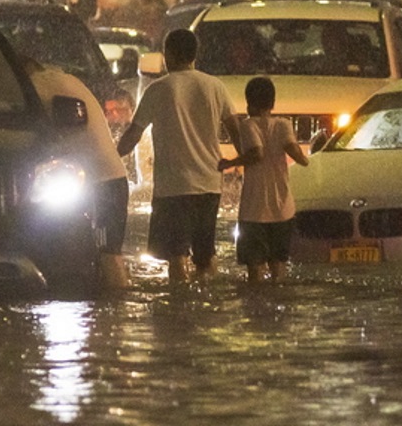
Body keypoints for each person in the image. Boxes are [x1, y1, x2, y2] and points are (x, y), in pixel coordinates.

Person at [116, 28, 240, 284]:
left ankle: (179, 308)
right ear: (195, 55)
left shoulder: (159, 89)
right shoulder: (215, 86)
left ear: (168, 54)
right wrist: (244, 161)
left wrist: (110, 157)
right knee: (206, 256)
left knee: (176, 258)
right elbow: (237, 132)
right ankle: (207, 304)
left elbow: (133, 135)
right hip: (209, 185)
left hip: (173, 189)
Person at [26, 58, 133, 290]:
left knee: (108, 255)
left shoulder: (35, 86)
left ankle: (117, 306)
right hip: (106, 180)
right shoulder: (65, 79)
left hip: (102, 183)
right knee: (104, 254)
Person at [218, 76, 309, 283]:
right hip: (283, 209)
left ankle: (257, 310)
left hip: (254, 211)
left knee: (254, 270)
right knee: (279, 267)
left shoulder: (248, 125)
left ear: (249, 104)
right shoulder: (284, 125)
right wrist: (307, 158)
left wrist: (229, 163)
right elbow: (297, 155)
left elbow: (256, 154)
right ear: (273, 103)